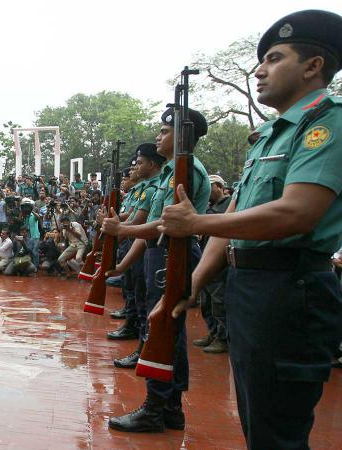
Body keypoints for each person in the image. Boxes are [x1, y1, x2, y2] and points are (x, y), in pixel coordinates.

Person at [159, 10, 342, 448]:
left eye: (274, 58)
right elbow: (233, 222)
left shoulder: (326, 122)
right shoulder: (270, 136)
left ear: (313, 66)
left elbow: (297, 213)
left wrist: (195, 222)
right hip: (252, 287)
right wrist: (194, 280)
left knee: (277, 432)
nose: (259, 70)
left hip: (289, 287)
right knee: (258, 422)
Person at [102, 106, 210, 433]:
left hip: (171, 253)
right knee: (163, 328)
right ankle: (170, 407)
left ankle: (156, 407)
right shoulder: (167, 175)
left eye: (165, 132)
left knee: (164, 329)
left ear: (182, 135)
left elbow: (162, 225)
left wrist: (122, 231)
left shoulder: (186, 171)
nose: (158, 137)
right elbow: (152, 225)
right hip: (159, 253)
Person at [110, 143, 166, 368]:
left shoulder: (154, 187)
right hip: (141, 242)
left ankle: (145, 347)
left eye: (139, 163)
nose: (134, 168)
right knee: (137, 293)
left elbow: (138, 220)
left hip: (152, 246)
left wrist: (118, 231)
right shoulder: (145, 188)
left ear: (152, 164)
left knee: (147, 301)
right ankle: (140, 340)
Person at [193, 174, 232, 354]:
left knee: (219, 300)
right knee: (206, 300)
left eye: (210, 187)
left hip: (221, 260)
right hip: (206, 255)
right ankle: (213, 332)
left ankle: (222, 337)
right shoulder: (210, 207)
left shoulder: (228, 204)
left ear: (218, 186)